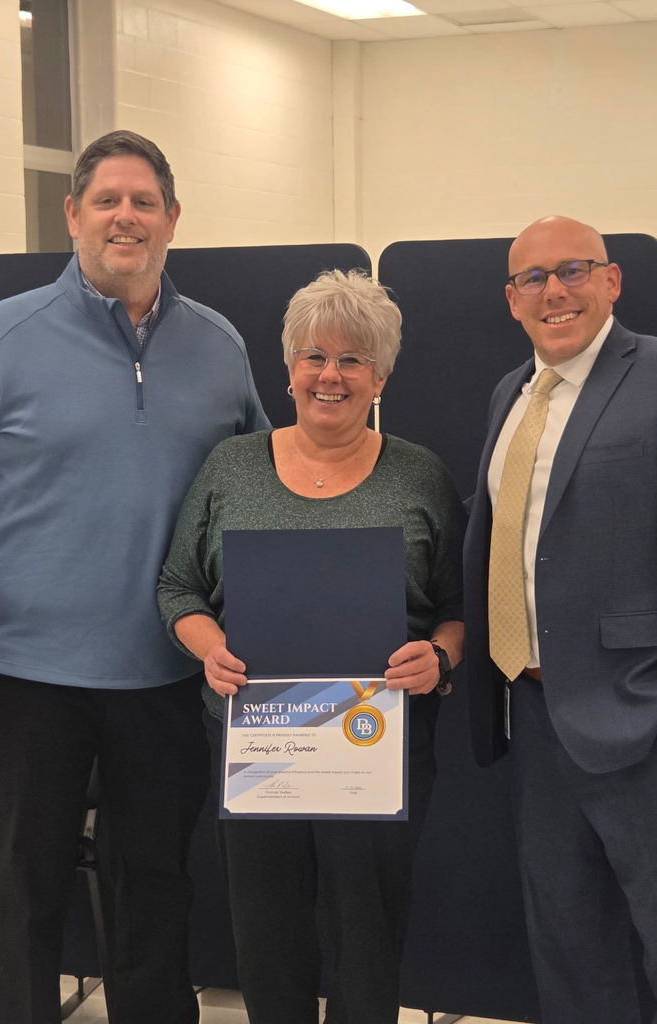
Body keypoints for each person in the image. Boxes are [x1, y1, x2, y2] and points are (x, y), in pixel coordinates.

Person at [0, 130, 269, 1024]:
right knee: (22, 899)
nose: (125, 217)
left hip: (166, 677)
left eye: (144, 201)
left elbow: (258, 493)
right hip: (28, 679)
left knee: (156, 892)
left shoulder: (219, 346)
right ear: (72, 215)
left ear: (173, 219)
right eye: (106, 200)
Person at [463, 216, 657, 1023]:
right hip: (532, 712)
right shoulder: (510, 394)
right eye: (533, 277)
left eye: (573, 270)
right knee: (570, 956)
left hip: (649, 720)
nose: (554, 290)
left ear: (613, 280)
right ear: (511, 299)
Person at [158, 269, 465, 1024]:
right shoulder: (231, 466)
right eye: (315, 356)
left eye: (352, 360)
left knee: (367, 935)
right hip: (259, 741)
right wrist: (210, 647)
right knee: (268, 935)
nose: (331, 375)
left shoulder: (420, 474)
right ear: (288, 368)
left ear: (381, 375)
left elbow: (459, 607)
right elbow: (176, 587)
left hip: (374, 740)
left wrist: (442, 657)